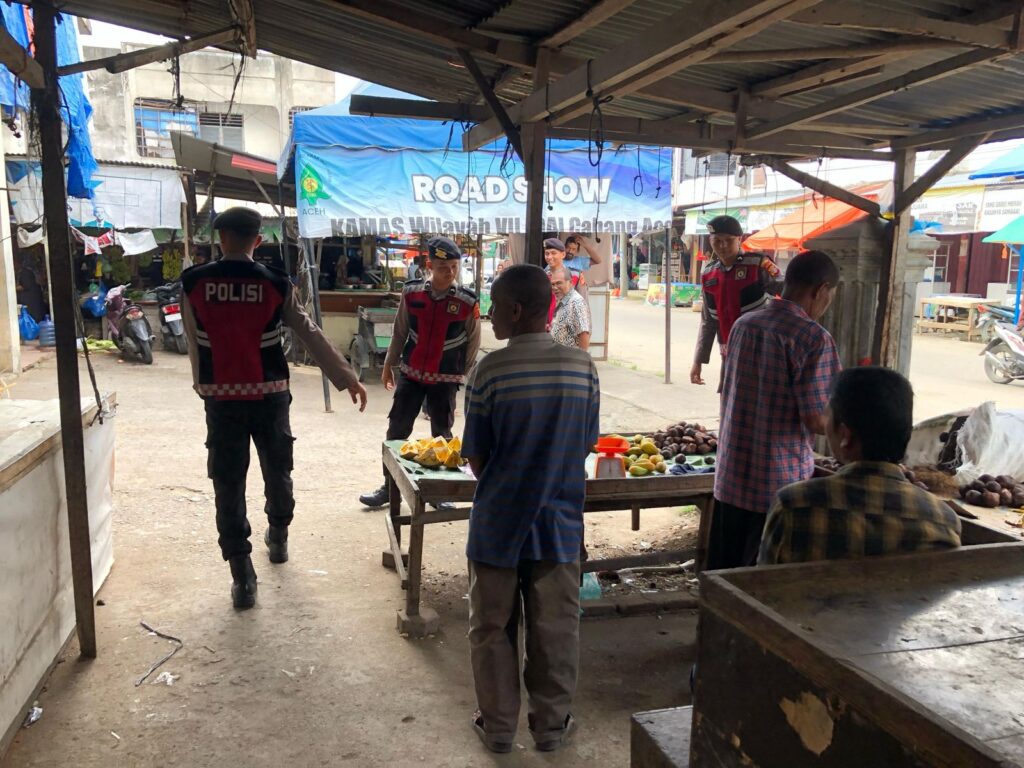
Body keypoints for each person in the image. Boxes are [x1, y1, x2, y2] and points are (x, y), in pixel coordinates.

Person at [180, 208, 368, 609]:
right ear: (258, 240)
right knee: (278, 469)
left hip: (222, 399)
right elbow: (309, 331)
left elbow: (195, 340)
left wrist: (202, 385)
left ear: (221, 238)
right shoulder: (276, 282)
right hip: (270, 395)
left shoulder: (194, 282)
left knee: (228, 482)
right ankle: (279, 538)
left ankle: (243, 577)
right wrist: (346, 376)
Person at [462, 264, 600, 754]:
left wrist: (511, 479)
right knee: (555, 630)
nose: (490, 313)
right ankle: (551, 728)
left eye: (496, 305)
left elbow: (477, 456)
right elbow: (585, 444)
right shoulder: (583, 368)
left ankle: (499, 729)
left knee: (491, 627)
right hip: (558, 525)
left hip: (498, 524)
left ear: (517, 310)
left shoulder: (488, 370)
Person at [709, 250, 841, 570]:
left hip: (730, 478)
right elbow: (817, 419)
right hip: (777, 486)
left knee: (723, 575)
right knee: (761, 582)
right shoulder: (813, 337)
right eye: (831, 296)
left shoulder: (744, 324)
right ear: (821, 290)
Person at [758, 368, 961, 565]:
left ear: (845, 436)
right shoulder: (943, 520)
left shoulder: (793, 505)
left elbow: (762, 581)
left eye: (827, 416)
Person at [359, 236, 481, 509]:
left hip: (445, 377)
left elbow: (474, 340)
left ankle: (441, 493)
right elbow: (400, 330)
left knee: (442, 436)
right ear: (429, 265)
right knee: (397, 430)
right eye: (443, 267)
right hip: (411, 373)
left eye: (454, 266)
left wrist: (463, 373)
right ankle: (389, 488)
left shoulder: (466, 301)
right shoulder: (412, 293)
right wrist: (389, 365)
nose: (450, 272)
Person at [691, 215, 781, 387]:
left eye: (729, 240)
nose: (723, 245)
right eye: (717, 241)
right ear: (710, 241)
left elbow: (786, 293)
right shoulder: (709, 274)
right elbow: (708, 321)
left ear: (739, 239)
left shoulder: (759, 264)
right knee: (729, 395)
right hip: (729, 354)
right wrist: (698, 361)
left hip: (763, 351)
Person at [550, 266, 591, 350]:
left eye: (559, 283)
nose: (555, 287)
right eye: (553, 284)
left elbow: (584, 334)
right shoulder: (563, 300)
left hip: (570, 356)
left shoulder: (576, 302)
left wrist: (581, 357)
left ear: (571, 282)